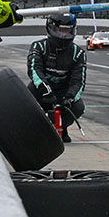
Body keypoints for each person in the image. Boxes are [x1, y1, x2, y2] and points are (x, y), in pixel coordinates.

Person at [27, 14, 86, 143]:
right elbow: (34, 70)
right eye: (61, 31)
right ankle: (37, 129)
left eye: (67, 31)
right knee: (26, 98)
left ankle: (61, 127)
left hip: (63, 91)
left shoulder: (79, 53)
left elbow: (79, 81)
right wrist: (45, 90)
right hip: (41, 89)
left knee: (78, 107)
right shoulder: (39, 46)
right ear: (51, 29)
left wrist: (69, 98)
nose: (64, 35)